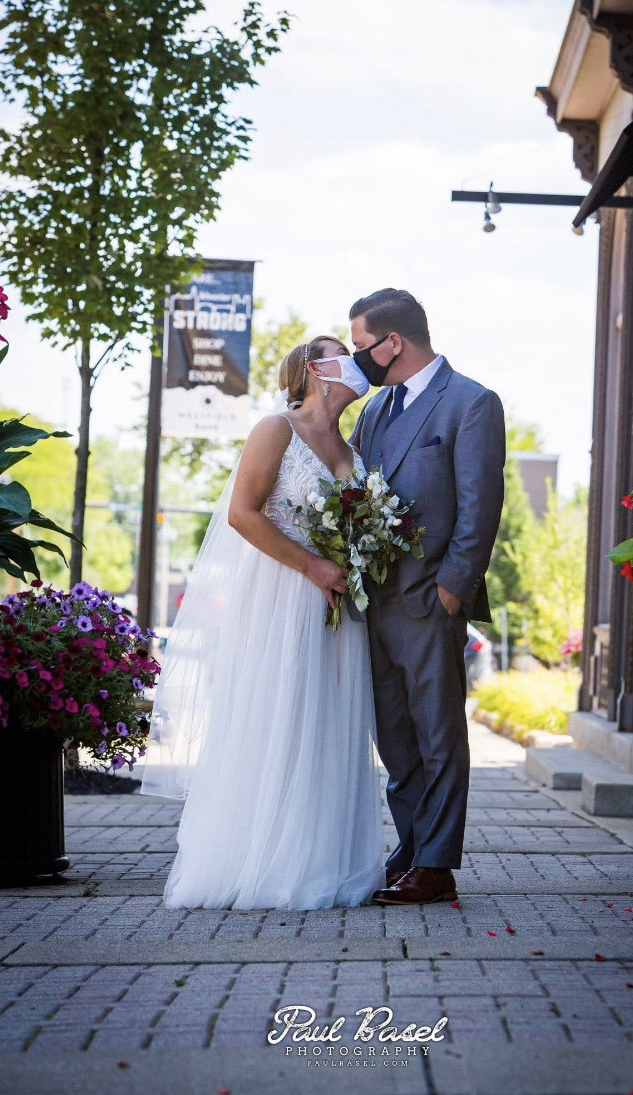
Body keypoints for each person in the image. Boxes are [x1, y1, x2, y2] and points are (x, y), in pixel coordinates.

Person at [141, 336, 383, 910]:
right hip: (282, 595)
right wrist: (312, 565)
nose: (355, 361)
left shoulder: (352, 442)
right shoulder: (276, 429)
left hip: (338, 605)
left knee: (330, 722)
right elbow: (241, 512)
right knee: (283, 716)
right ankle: (265, 860)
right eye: (341, 352)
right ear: (314, 371)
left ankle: (325, 860)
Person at [350, 288, 505, 905]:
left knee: (438, 734)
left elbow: (480, 509)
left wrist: (449, 592)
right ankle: (412, 845)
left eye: (362, 347)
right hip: (373, 603)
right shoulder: (374, 411)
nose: (358, 359)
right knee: (394, 736)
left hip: (430, 601)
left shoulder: (471, 403)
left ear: (395, 342)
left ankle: (437, 865)